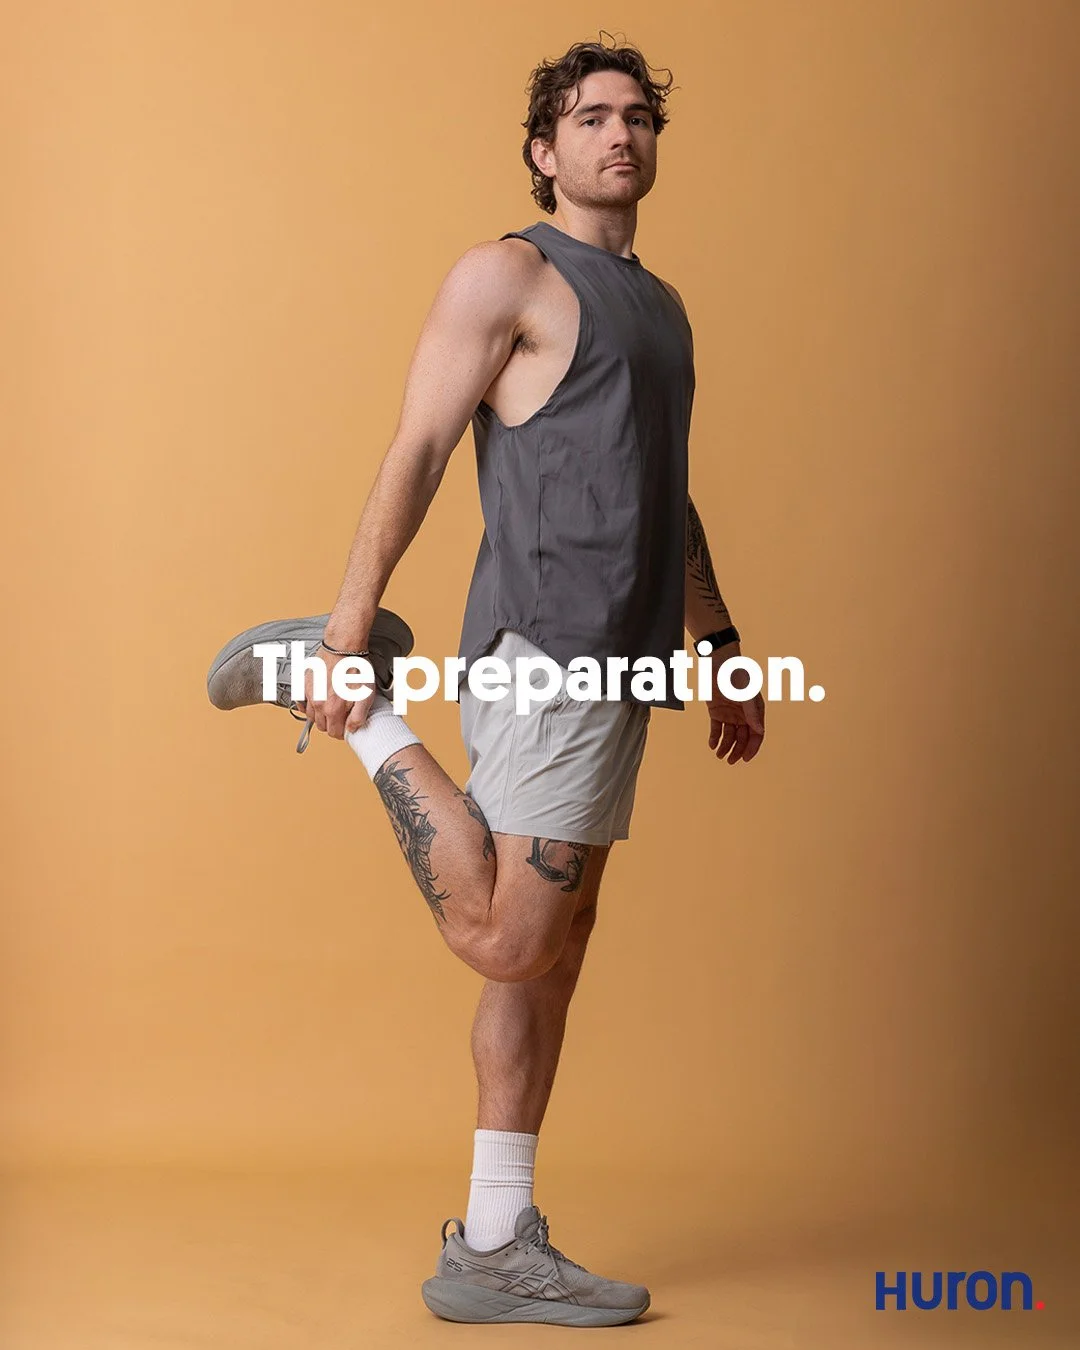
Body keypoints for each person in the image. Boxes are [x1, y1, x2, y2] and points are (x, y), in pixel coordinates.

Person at [206, 35, 765, 1327]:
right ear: (543, 149)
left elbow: (662, 497)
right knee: (514, 939)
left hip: (623, 666)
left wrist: (723, 647)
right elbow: (416, 446)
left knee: (550, 962)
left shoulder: (661, 307)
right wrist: (351, 636)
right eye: (589, 118)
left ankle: (497, 1239)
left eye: (636, 117)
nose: (618, 135)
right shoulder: (507, 274)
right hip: (544, 652)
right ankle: (348, 703)